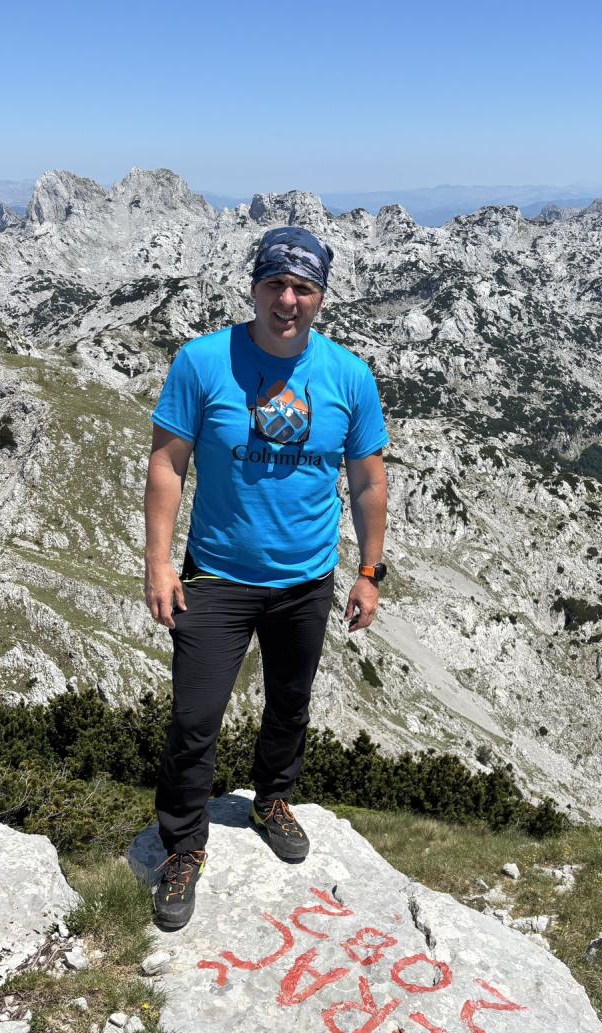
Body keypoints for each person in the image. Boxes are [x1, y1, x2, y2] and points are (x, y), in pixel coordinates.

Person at [143, 225, 389, 931]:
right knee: (195, 718)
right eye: (275, 284)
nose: (287, 300)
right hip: (216, 575)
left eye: (302, 288)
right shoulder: (202, 361)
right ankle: (183, 847)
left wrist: (369, 571)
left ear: (320, 297)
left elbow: (368, 481)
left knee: (290, 702)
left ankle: (272, 799)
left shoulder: (349, 375)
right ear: (253, 287)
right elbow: (167, 462)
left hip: (306, 578)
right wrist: (158, 561)